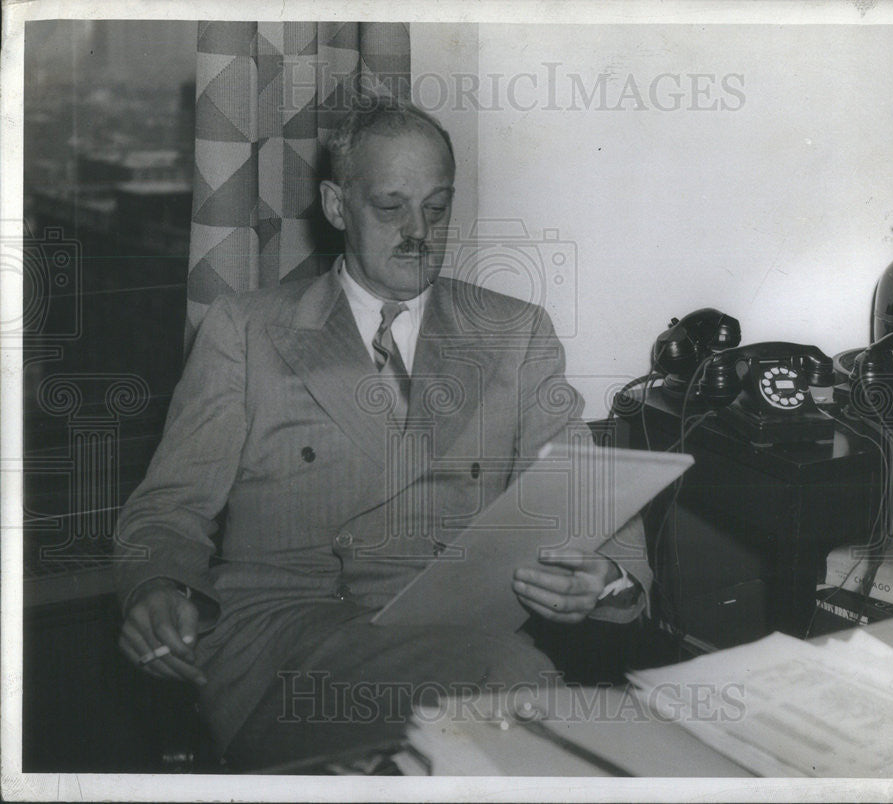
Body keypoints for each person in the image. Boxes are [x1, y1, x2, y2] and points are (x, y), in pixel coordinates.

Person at [114, 97, 650, 770]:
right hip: (283, 646)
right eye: (391, 207)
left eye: (437, 206)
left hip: (453, 634)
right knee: (513, 691)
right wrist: (157, 588)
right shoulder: (247, 331)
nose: (418, 231)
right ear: (338, 207)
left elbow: (586, 498)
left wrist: (607, 579)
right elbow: (168, 510)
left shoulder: (514, 332)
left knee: (514, 709)